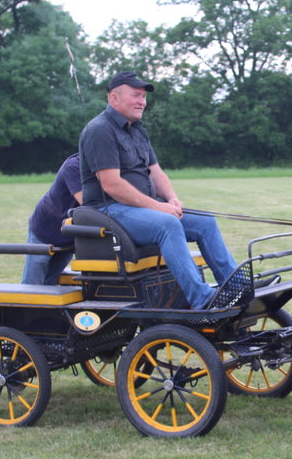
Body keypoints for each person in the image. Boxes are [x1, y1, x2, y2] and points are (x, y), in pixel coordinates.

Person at [78, 71, 241, 309]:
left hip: (139, 209)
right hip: (108, 210)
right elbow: (111, 185)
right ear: (114, 98)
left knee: (205, 222)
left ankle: (235, 287)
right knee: (168, 224)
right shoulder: (99, 130)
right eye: (136, 95)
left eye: (143, 97)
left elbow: (156, 171)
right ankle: (202, 299)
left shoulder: (137, 130)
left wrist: (172, 199)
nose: (142, 102)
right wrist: (158, 207)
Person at [21, 153, 82, 285]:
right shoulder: (74, 166)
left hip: (68, 236)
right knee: (32, 285)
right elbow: (87, 202)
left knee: (51, 284)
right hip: (45, 231)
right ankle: (25, 307)